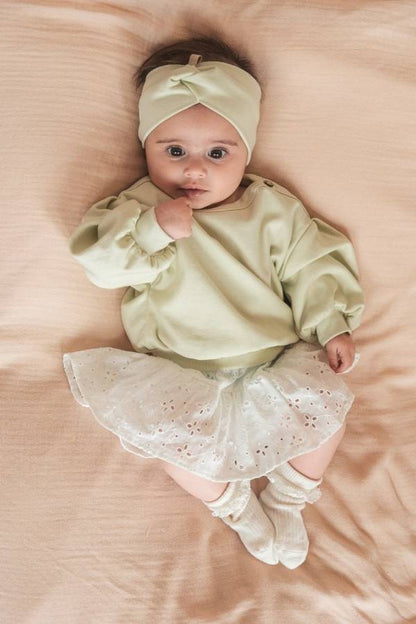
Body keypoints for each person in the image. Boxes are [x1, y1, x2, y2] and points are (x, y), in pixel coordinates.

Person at [63, 37, 364, 568]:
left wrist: (331, 323)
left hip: (272, 362)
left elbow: (311, 266)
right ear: (146, 147)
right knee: (173, 448)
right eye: (174, 151)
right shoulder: (137, 208)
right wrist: (153, 230)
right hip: (182, 372)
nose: (194, 170)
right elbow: (103, 265)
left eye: (217, 154)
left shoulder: (271, 209)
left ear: (246, 150)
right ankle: (236, 508)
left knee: (328, 416)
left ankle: (289, 498)